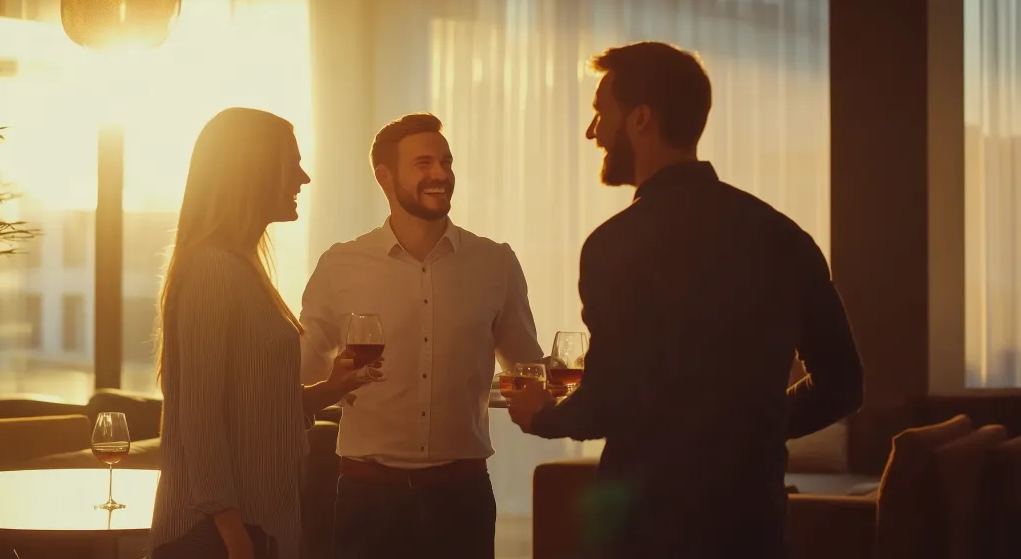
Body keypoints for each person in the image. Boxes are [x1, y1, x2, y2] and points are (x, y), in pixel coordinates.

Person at [505, 42, 865, 558]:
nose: (593, 132)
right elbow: (845, 385)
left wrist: (541, 415)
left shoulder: (615, 245)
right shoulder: (785, 237)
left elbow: (609, 401)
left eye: (600, 113)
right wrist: (753, 427)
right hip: (753, 526)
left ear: (641, 119)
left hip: (646, 529)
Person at [299, 113, 545, 559]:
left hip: (461, 498)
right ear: (384, 177)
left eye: (446, 162)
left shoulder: (495, 263)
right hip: (365, 499)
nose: (441, 175)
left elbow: (528, 368)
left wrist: (573, 379)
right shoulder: (341, 265)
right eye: (424, 163)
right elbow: (301, 373)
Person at [151, 108, 378, 559]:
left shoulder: (241, 269)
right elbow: (199, 417)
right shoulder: (213, 270)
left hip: (256, 525)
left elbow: (251, 406)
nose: (304, 177)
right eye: (291, 162)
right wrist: (233, 535)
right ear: (251, 170)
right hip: (217, 535)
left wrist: (324, 391)